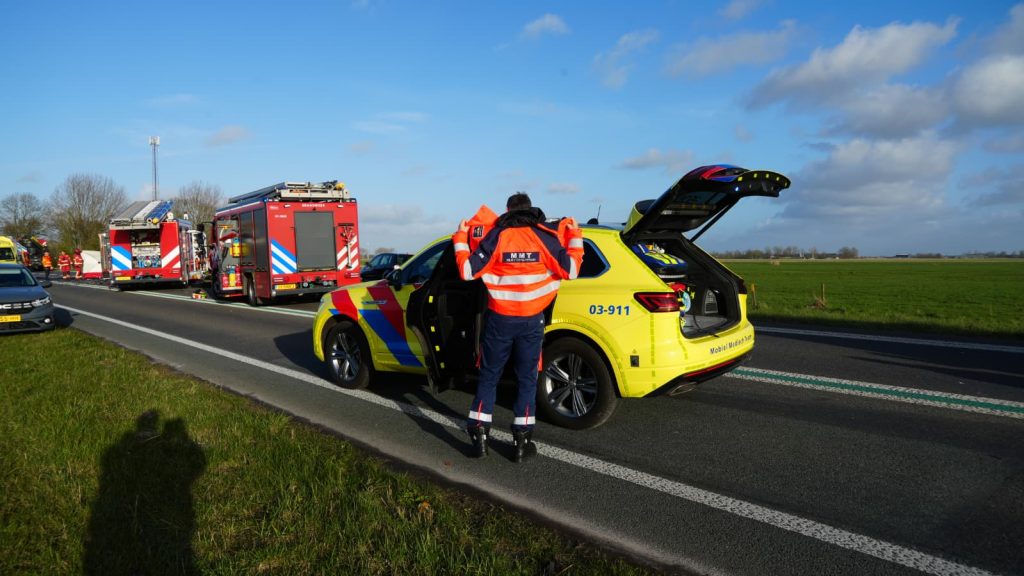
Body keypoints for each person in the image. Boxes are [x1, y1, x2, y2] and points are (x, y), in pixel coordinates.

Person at [452, 192, 584, 462]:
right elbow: (570, 270)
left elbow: (467, 271)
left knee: (489, 377)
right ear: (530, 208)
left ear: (508, 210)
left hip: (500, 320)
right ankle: (522, 445)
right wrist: (575, 235)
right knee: (527, 379)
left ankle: (479, 438)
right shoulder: (546, 236)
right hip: (531, 321)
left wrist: (460, 238)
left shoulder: (496, 236)